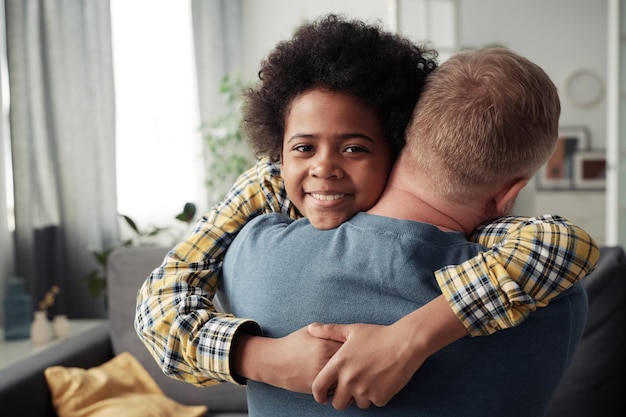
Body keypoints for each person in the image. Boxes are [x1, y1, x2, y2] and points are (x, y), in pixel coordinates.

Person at [134, 14, 597, 400]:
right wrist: (266, 358)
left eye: (354, 148)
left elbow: (563, 241)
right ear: (278, 149)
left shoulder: (252, 250)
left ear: (397, 149)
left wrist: (407, 339)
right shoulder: (270, 186)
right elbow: (160, 305)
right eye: (302, 148)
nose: (324, 168)